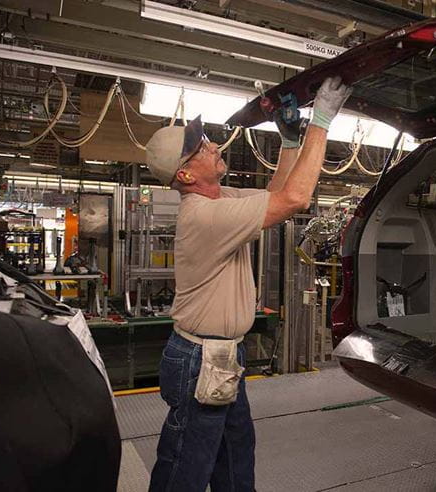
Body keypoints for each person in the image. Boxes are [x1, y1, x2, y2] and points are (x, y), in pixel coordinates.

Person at [144, 77, 351, 492]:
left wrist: (290, 141)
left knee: (236, 455)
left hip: (221, 355)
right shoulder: (204, 215)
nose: (214, 146)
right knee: (187, 462)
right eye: (201, 148)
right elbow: (295, 199)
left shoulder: (222, 200)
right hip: (200, 359)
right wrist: (321, 120)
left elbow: (276, 194)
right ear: (185, 173)